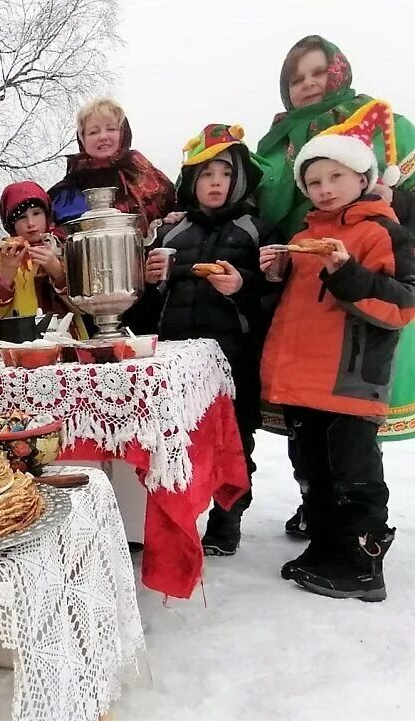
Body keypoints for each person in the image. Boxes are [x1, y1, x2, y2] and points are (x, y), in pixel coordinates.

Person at [254, 35, 415, 537]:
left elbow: (399, 292)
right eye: (296, 78)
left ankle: (358, 540)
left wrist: (385, 206)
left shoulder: (381, 121)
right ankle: (322, 517)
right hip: (301, 284)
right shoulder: (276, 139)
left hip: (360, 288)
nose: (306, 85)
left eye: (316, 73)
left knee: (350, 432)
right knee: (308, 429)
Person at [127, 124, 276, 556]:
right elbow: (146, 310)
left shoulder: (256, 230)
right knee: (179, 439)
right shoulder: (171, 233)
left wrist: (243, 285)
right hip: (176, 358)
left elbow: (274, 296)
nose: (216, 182)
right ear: (192, 179)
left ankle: (227, 522)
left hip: (234, 357)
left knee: (234, 441)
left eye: (225, 174)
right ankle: (180, 517)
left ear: (239, 180)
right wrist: (149, 282)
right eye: (206, 173)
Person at [0, 180, 87, 338]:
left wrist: (59, 273)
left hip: (68, 346)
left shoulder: (67, 249)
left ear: (47, 215)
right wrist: (4, 277)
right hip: (16, 349)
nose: (31, 223)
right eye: (21, 217)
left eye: (37, 213)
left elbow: (86, 306)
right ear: (11, 224)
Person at [47, 97, 176, 234]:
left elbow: (176, 208)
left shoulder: (144, 173)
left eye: (111, 129)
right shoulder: (65, 194)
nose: (103, 137)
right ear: (82, 139)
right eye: (93, 132)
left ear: (123, 133)